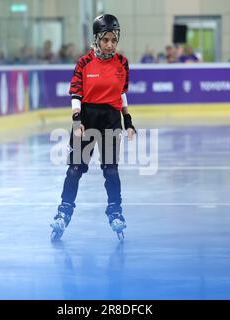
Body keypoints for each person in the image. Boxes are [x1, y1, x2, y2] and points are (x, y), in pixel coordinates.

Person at [50, 14, 136, 241]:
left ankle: (115, 211)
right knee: (75, 169)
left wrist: (128, 122)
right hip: (87, 118)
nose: (110, 44)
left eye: (113, 40)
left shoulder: (122, 63)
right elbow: (76, 93)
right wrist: (77, 121)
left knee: (111, 170)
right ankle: (63, 212)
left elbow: (122, 94)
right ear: (97, 39)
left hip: (111, 118)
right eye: (105, 40)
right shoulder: (84, 62)